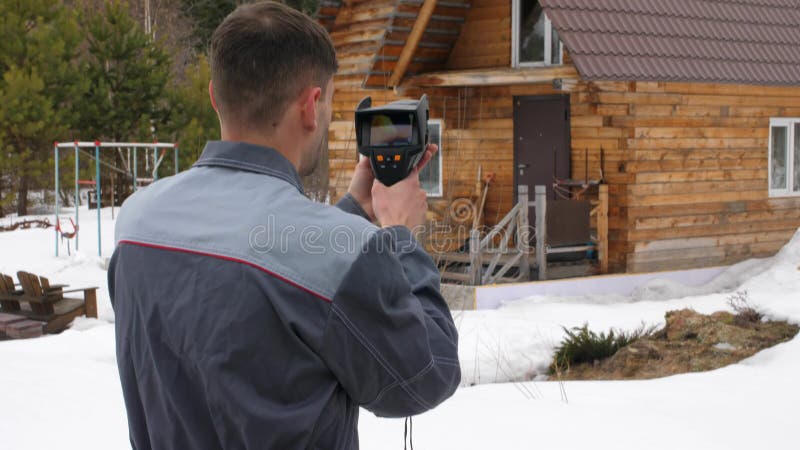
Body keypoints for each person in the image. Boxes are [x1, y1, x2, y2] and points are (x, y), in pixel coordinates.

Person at [107, 2, 461, 449]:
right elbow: (425, 375)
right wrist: (401, 238)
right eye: (328, 101)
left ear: (215, 96)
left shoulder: (137, 221)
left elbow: (257, 287)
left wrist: (352, 209)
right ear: (312, 106)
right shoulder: (342, 252)